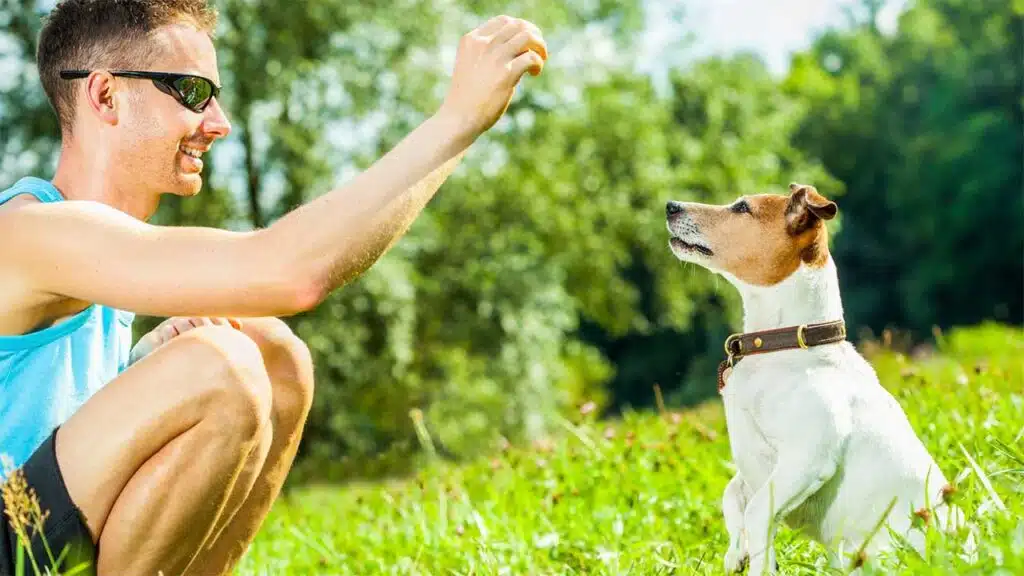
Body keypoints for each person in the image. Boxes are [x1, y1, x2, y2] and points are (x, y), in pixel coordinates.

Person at [0, 0, 547, 573]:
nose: (218, 122)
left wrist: (143, 361)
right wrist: (456, 121)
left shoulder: (107, 261)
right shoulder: (33, 230)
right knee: (220, 367)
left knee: (273, 353)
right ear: (105, 95)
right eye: (191, 92)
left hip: (33, 524)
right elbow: (293, 271)